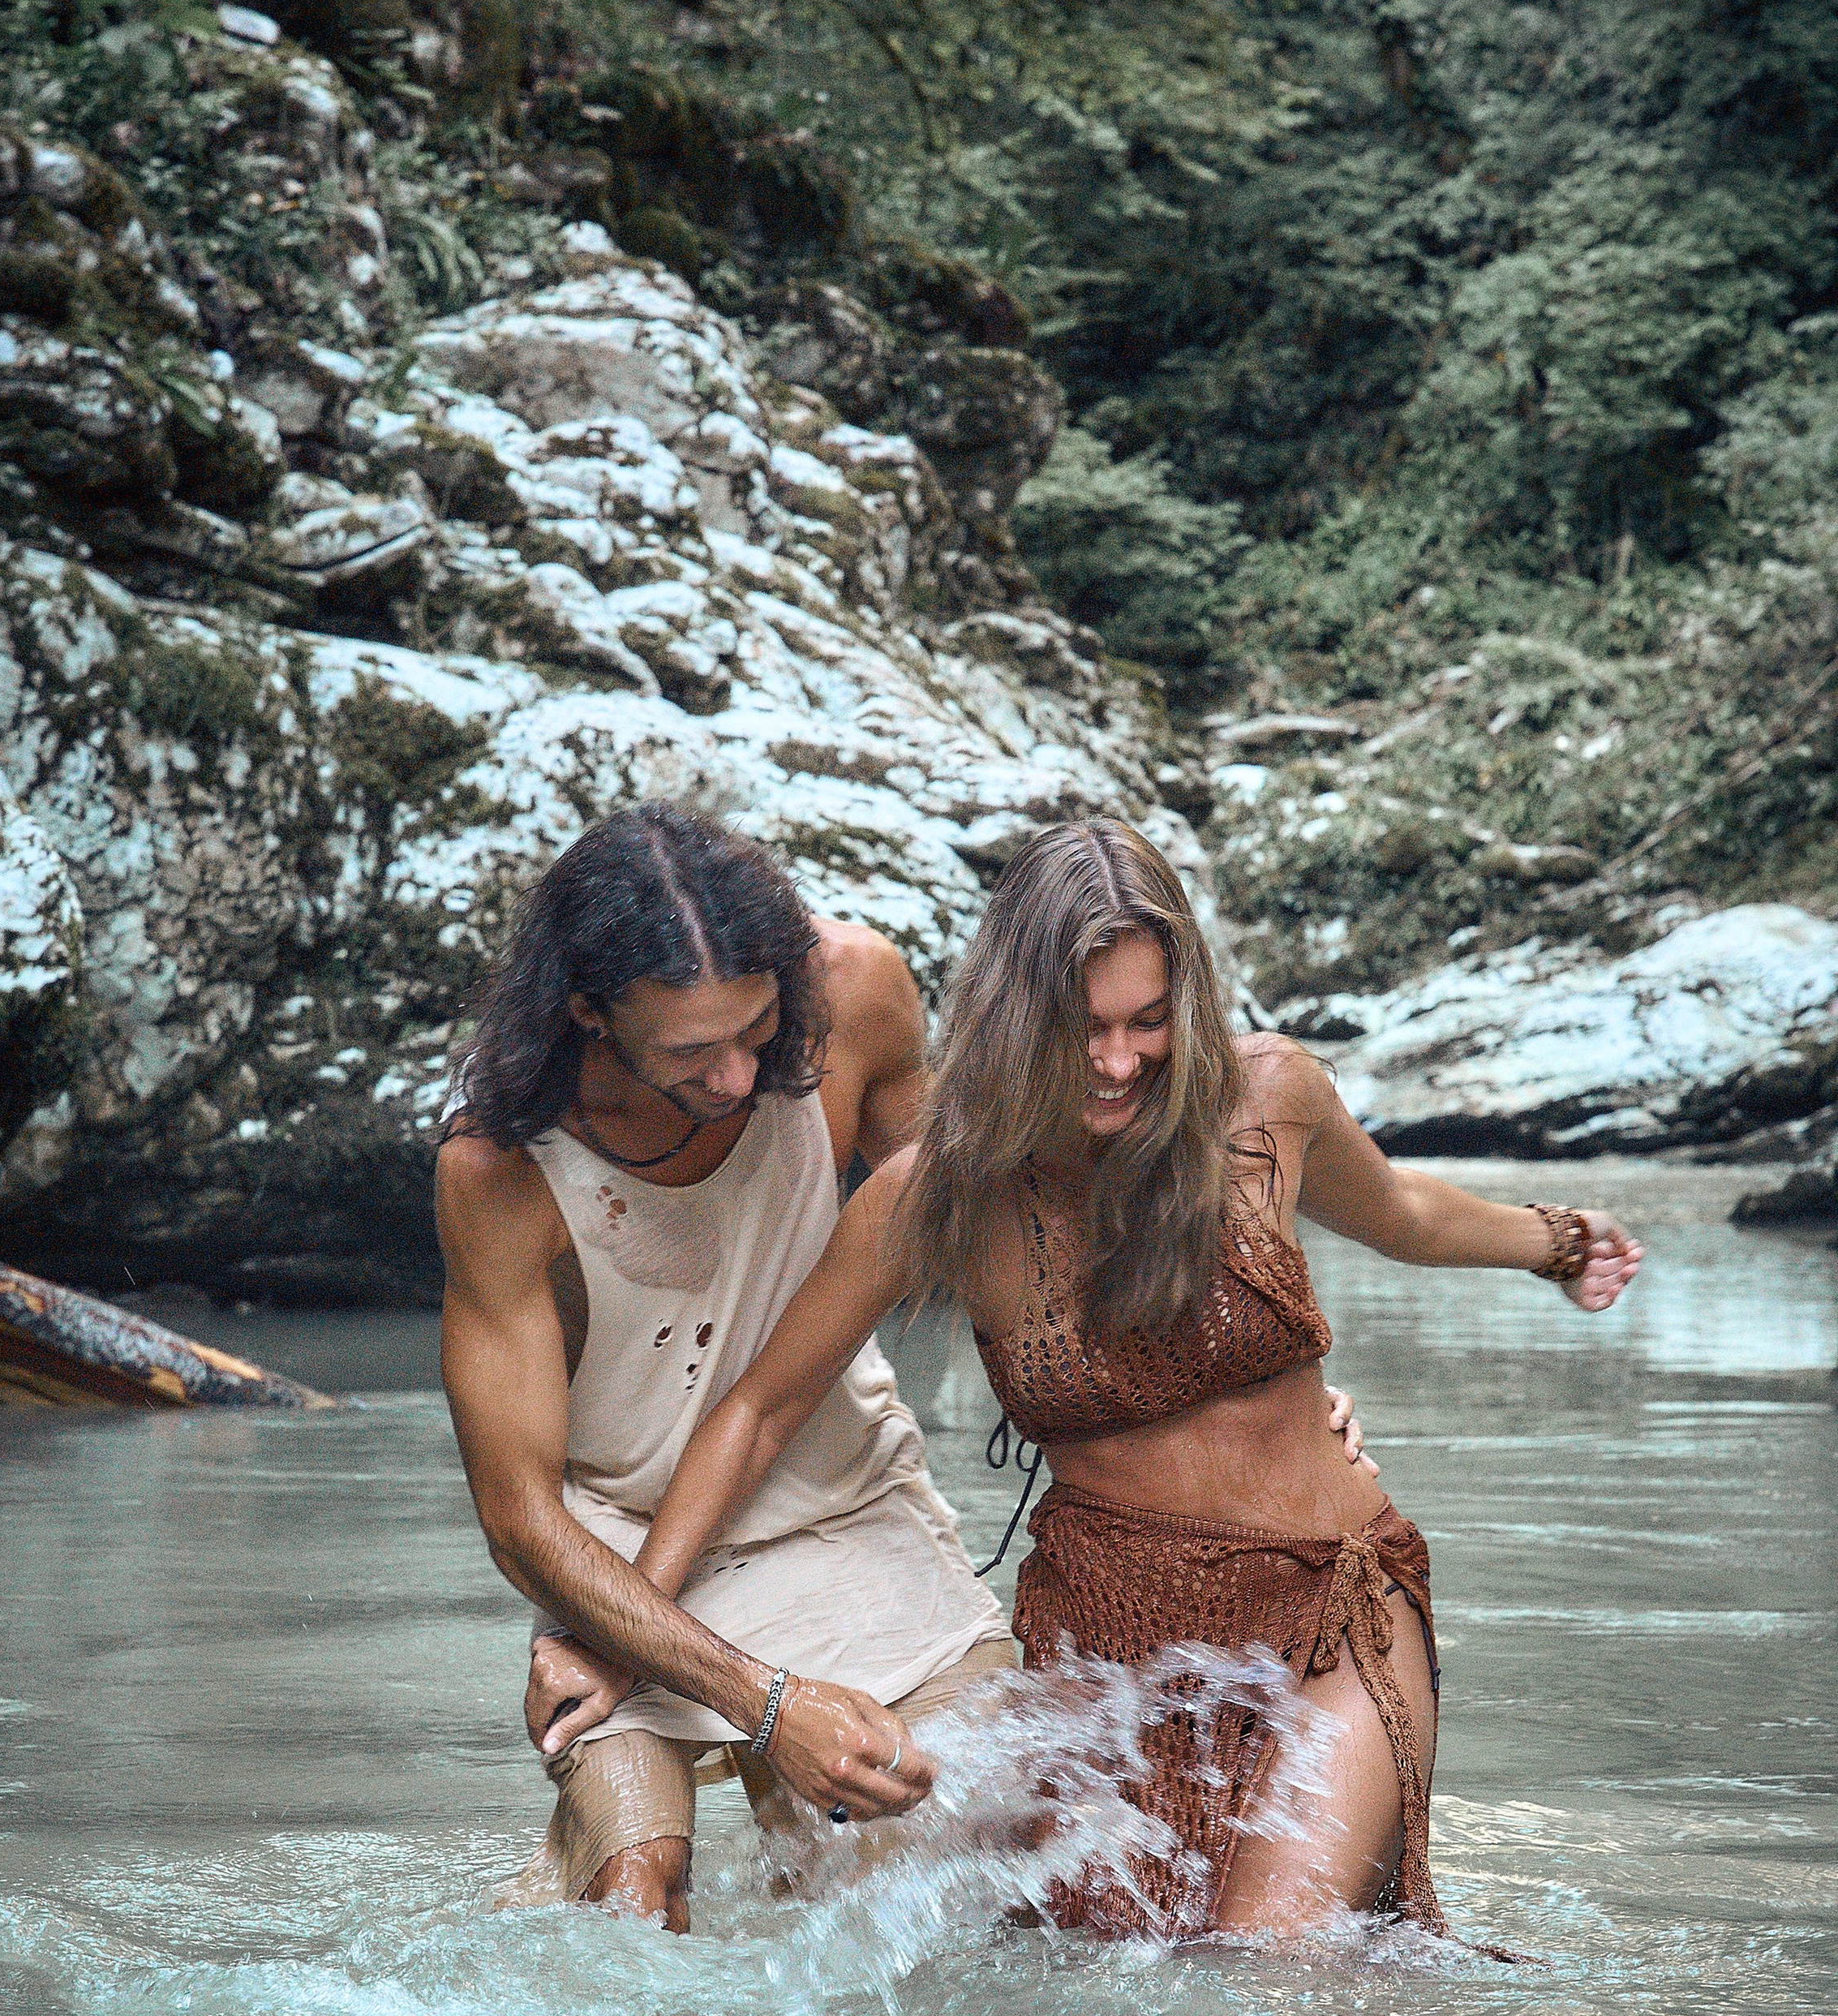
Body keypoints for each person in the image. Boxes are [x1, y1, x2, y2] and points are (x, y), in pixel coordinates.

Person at [535, 817, 1644, 1944]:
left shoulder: (1266, 1099)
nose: (1119, 1062)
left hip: (1328, 1614)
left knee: (1266, 1975)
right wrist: (626, 1637)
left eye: (1148, 1022)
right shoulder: (943, 1195)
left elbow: (1405, 1213)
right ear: (1021, 1021)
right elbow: (758, 1411)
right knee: (1073, 1981)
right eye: (1086, 1030)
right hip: (1110, 1653)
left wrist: (1555, 1243)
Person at [434, 801, 1016, 1935]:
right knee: (635, 1919)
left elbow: (993, 1256)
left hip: (840, 1501)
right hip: (618, 1547)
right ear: (588, 1012)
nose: (742, 1079)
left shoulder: (855, 992)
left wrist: (1254, 1385)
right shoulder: (498, 1169)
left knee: (932, 1884)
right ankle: (584, 1849)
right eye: (691, 1054)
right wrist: (765, 1706)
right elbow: (518, 1518)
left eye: (758, 1032)